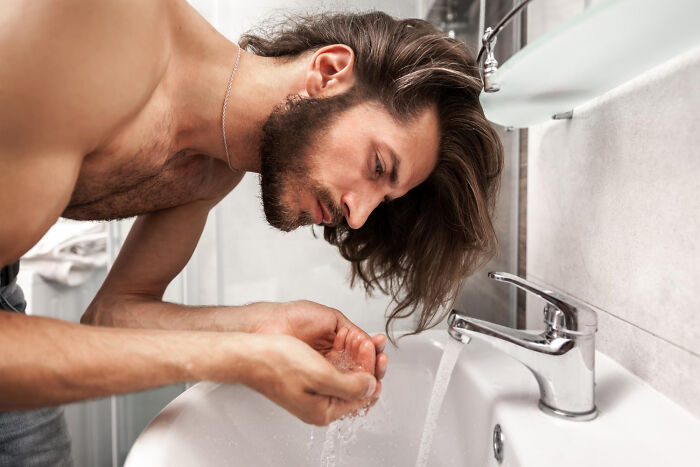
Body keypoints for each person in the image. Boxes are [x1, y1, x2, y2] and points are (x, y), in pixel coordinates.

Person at [0, 0, 503, 464]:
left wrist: (266, 326)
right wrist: (246, 359)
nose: (358, 217)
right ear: (329, 71)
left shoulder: (215, 167)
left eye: (384, 200)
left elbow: (112, 317)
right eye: (377, 166)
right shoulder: (100, 24)